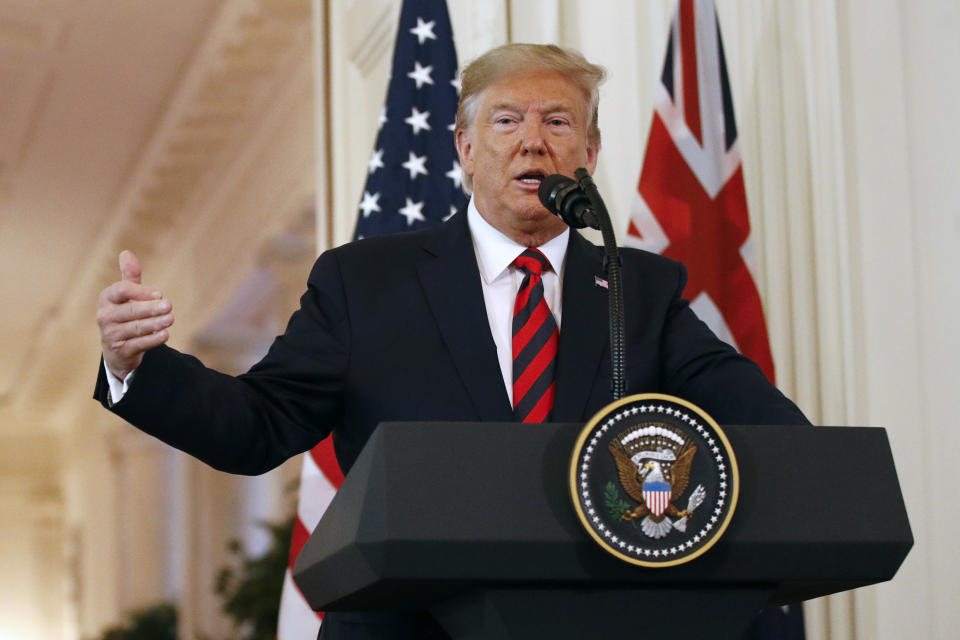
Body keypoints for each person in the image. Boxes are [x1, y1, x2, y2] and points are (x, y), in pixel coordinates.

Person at [95, 43, 809, 640]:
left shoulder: (639, 291)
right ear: (465, 148)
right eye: (507, 120)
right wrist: (137, 367)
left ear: (588, 152)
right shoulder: (365, 283)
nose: (534, 139)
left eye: (559, 122)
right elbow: (255, 426)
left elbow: (770, 431)